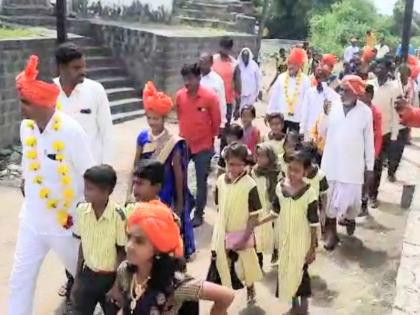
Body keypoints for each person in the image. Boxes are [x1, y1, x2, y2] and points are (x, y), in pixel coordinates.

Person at [9, 55, 95, 315]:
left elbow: (91, 175)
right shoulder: (26, 129)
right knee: (19, 280)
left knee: (86, 281)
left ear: (43, 103)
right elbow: (29, 164)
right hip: (32, 221)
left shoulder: (70, 132)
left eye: (26, 102)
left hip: (65, 225)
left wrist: (91, 221)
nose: (21, 107)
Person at [114, 201, 235, 314]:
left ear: (158, 247)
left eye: (139, 241)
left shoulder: (175, 285)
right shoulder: (125, 271)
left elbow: (226, 296)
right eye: (129, 237)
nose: (129, 246)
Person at [127, 81, 196, 257]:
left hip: (164, 187)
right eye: (149, 118)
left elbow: (178, 172)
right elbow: (136, 164)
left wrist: (180, 201)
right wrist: (130, 191)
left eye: (156, 118)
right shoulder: (142, 137)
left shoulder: (174, 142)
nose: (152, 122)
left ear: (164, 119)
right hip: (144, 184)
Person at [257, 151, 319, 315]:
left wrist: (312, 248)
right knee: (286, 273)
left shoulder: (309, 193)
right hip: (284, 240)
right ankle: (294, 306)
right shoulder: (280, 188)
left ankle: (303, 309)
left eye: (297, 170)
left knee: (301, 274)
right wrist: (259, 222)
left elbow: (314, 224)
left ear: (305, 173)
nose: (292, 173)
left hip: (301, 242)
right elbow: (275, 212)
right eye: (289, 169)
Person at [320, 75, 374, 250]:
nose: (341, 93)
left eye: (346, 90)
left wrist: (370, 166)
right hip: (332, 162)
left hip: (353, 166)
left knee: (353, 203)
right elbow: (322, 131)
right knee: (328, 200)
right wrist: (325, 114)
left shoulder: (365, 112)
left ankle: (349, 218)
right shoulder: (332, 107)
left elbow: (369, 141)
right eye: (341, 89)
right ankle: (330, 232)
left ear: (356, 92)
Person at [210, 143, 263, 304]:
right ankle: (224, 296)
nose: (234, 168)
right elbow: (218, 204)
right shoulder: (220, 181)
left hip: (242, 231)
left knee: (247, 265)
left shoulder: (250, 185)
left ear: (245, 164)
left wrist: (245, 236)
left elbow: (254, 216)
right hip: (222, 230)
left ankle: (250, 288)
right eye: (230, 164)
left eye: (239, 164)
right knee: (222, 262)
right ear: (225, 162)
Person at [71, 165, 125, 315]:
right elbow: (83, 244)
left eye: (89, 188)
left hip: (110, 278)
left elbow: (122, 252)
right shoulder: (81, 210)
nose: (84, 192)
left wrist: (117, 286)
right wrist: (77, 279)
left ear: (106, 192)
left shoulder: (118, 216)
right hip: (88, 275)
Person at [176, 63, 221, 228]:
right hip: (185, 144)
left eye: (190, 79)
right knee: (179, 177)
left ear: (198, 78)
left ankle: (199, 214)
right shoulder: (180, 96)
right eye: (184, 79)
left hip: (203, 146)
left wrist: (209, 138)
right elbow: (180, 115)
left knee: (202, 181)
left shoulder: (210, 97)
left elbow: (216, 122)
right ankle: (184, 206)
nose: (187, 82)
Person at [54, 42, 114, 165]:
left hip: (90, 169)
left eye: (83, 66)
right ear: (61, 68)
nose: (82, 71)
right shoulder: (48, 92)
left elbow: (107, 132)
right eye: (76, 68)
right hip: (59, 169)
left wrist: (107, 168)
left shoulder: (96, 90)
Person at [369, 58, 407, 207]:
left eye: (381, 67)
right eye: (376, 66)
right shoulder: (369, 84)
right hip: (367, 131)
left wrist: (394, 135)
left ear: (387, 70)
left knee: (377, 165)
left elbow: (396, 113)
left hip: (384, 132)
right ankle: (364, 194)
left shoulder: (394, 88)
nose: (378, 69)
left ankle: (373, 195)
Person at [250, 143, 280, 269]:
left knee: (276, 235)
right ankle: (259, 263)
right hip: (260, 209)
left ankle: (276, 252)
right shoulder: (254, 172)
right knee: (258, 238)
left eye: (264, 156)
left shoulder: (277, 172)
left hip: (275, 210)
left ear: (271, 157)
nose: (260, 159)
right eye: (258, 156)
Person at [267, 47, 311, 133]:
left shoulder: (306, 80)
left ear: (299, 66)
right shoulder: (281, 77)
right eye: (290, 63)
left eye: (294, 64)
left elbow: (307, 102)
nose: (291, 66)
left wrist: (305, 122)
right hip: (281, 118)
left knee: (293, 144)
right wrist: (269, 112)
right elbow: (274, 96)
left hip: (297, 119)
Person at [300, 58, 340, 141]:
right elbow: (304, 112)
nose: (320, 79)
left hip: (325, 135)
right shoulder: (309, 92)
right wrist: (302, 129)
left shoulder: (334, 96)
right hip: (309, 133)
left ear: (328, 77)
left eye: (323, 77)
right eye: (318, 77)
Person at [358, 84, 382, 215]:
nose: (361, 97)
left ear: (370, 96)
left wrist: (375, 153)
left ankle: (364, 203)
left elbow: (378, 134)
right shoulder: (357, 109)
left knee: (365, 179)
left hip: (368, 150)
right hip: (356, 149)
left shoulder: (375, 112)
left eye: (363, 95)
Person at [212, 36, 241, 124]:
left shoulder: (234, 64)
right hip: (212, 99)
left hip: (227, 101)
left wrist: (238, 107)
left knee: (225, 126)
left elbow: (238, 86)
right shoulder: (212, 60)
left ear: (230, 48)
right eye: (223, 47)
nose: (224, 50)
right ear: (220, 46)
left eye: (227, 48)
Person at [199, 52, 227, 131]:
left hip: (210, 120)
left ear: (211, 63)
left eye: (204, 63)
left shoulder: (217, 80)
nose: (201, 66)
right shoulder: (196, 78)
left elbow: (222, 102)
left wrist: (222, 123)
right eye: (200, 62)